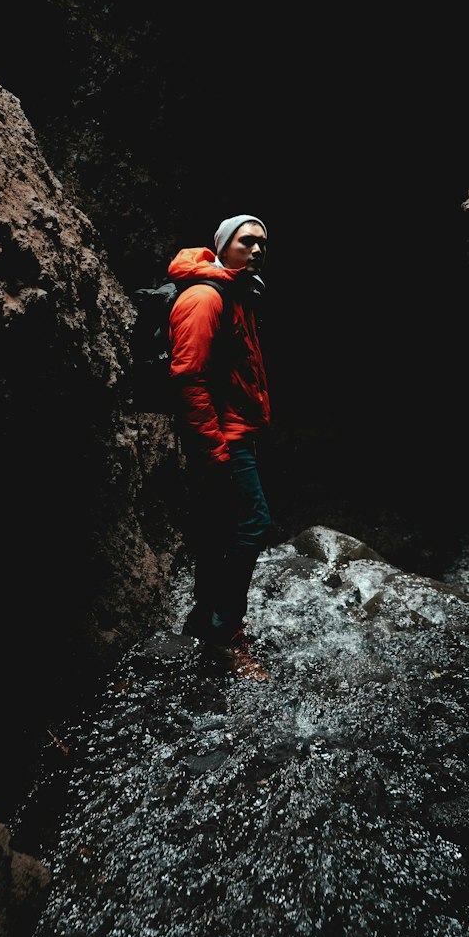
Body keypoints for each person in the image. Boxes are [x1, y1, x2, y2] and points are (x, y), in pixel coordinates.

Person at [168, 214, 273, 682]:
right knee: (253, 525)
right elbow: (188, 377)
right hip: (222, 440)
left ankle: (203, 622)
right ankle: (225, 635)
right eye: (246, 242)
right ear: (223, 246)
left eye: (261, 244)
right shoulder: (205, 297)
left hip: (235, 433)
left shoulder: (237, 293)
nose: (255, 251)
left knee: (219, 531)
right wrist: (214, 451)